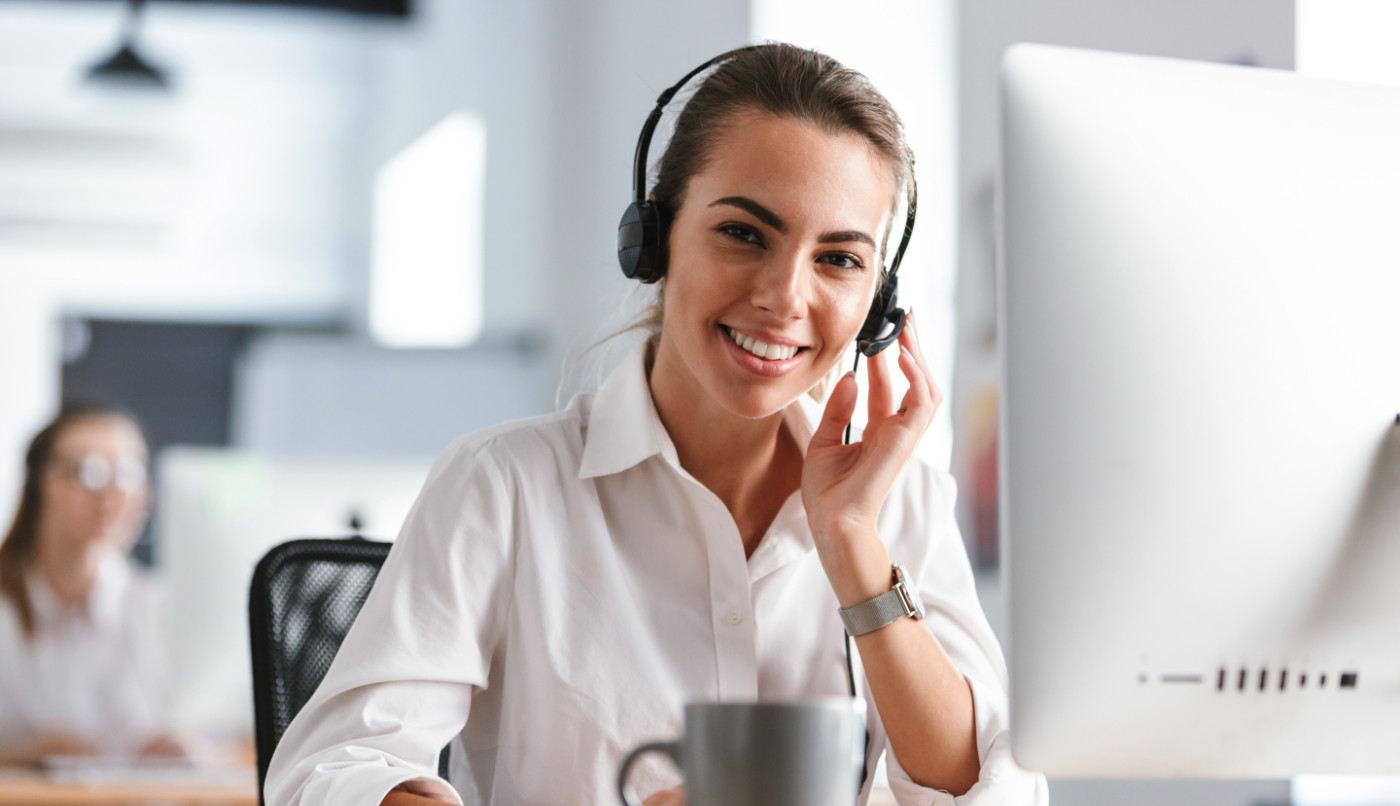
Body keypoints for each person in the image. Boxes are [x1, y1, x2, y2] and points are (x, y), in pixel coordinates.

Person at [266, 43, 1048, 805]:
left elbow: (998, 789)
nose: (784, 295)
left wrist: (853, 549)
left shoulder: (901, 505)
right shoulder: (503, 487)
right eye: (744, 233)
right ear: (653, 239)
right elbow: (332, 773)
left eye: (838, 259)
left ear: (878, 305)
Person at [0, 404, 188, 765]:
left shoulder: (165, 611)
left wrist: (192, 754)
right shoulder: (7, 606)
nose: (110, 493)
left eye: (127, 474)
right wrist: (22, 758)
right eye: (89, 471)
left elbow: (233, 736)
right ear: (40, 484)